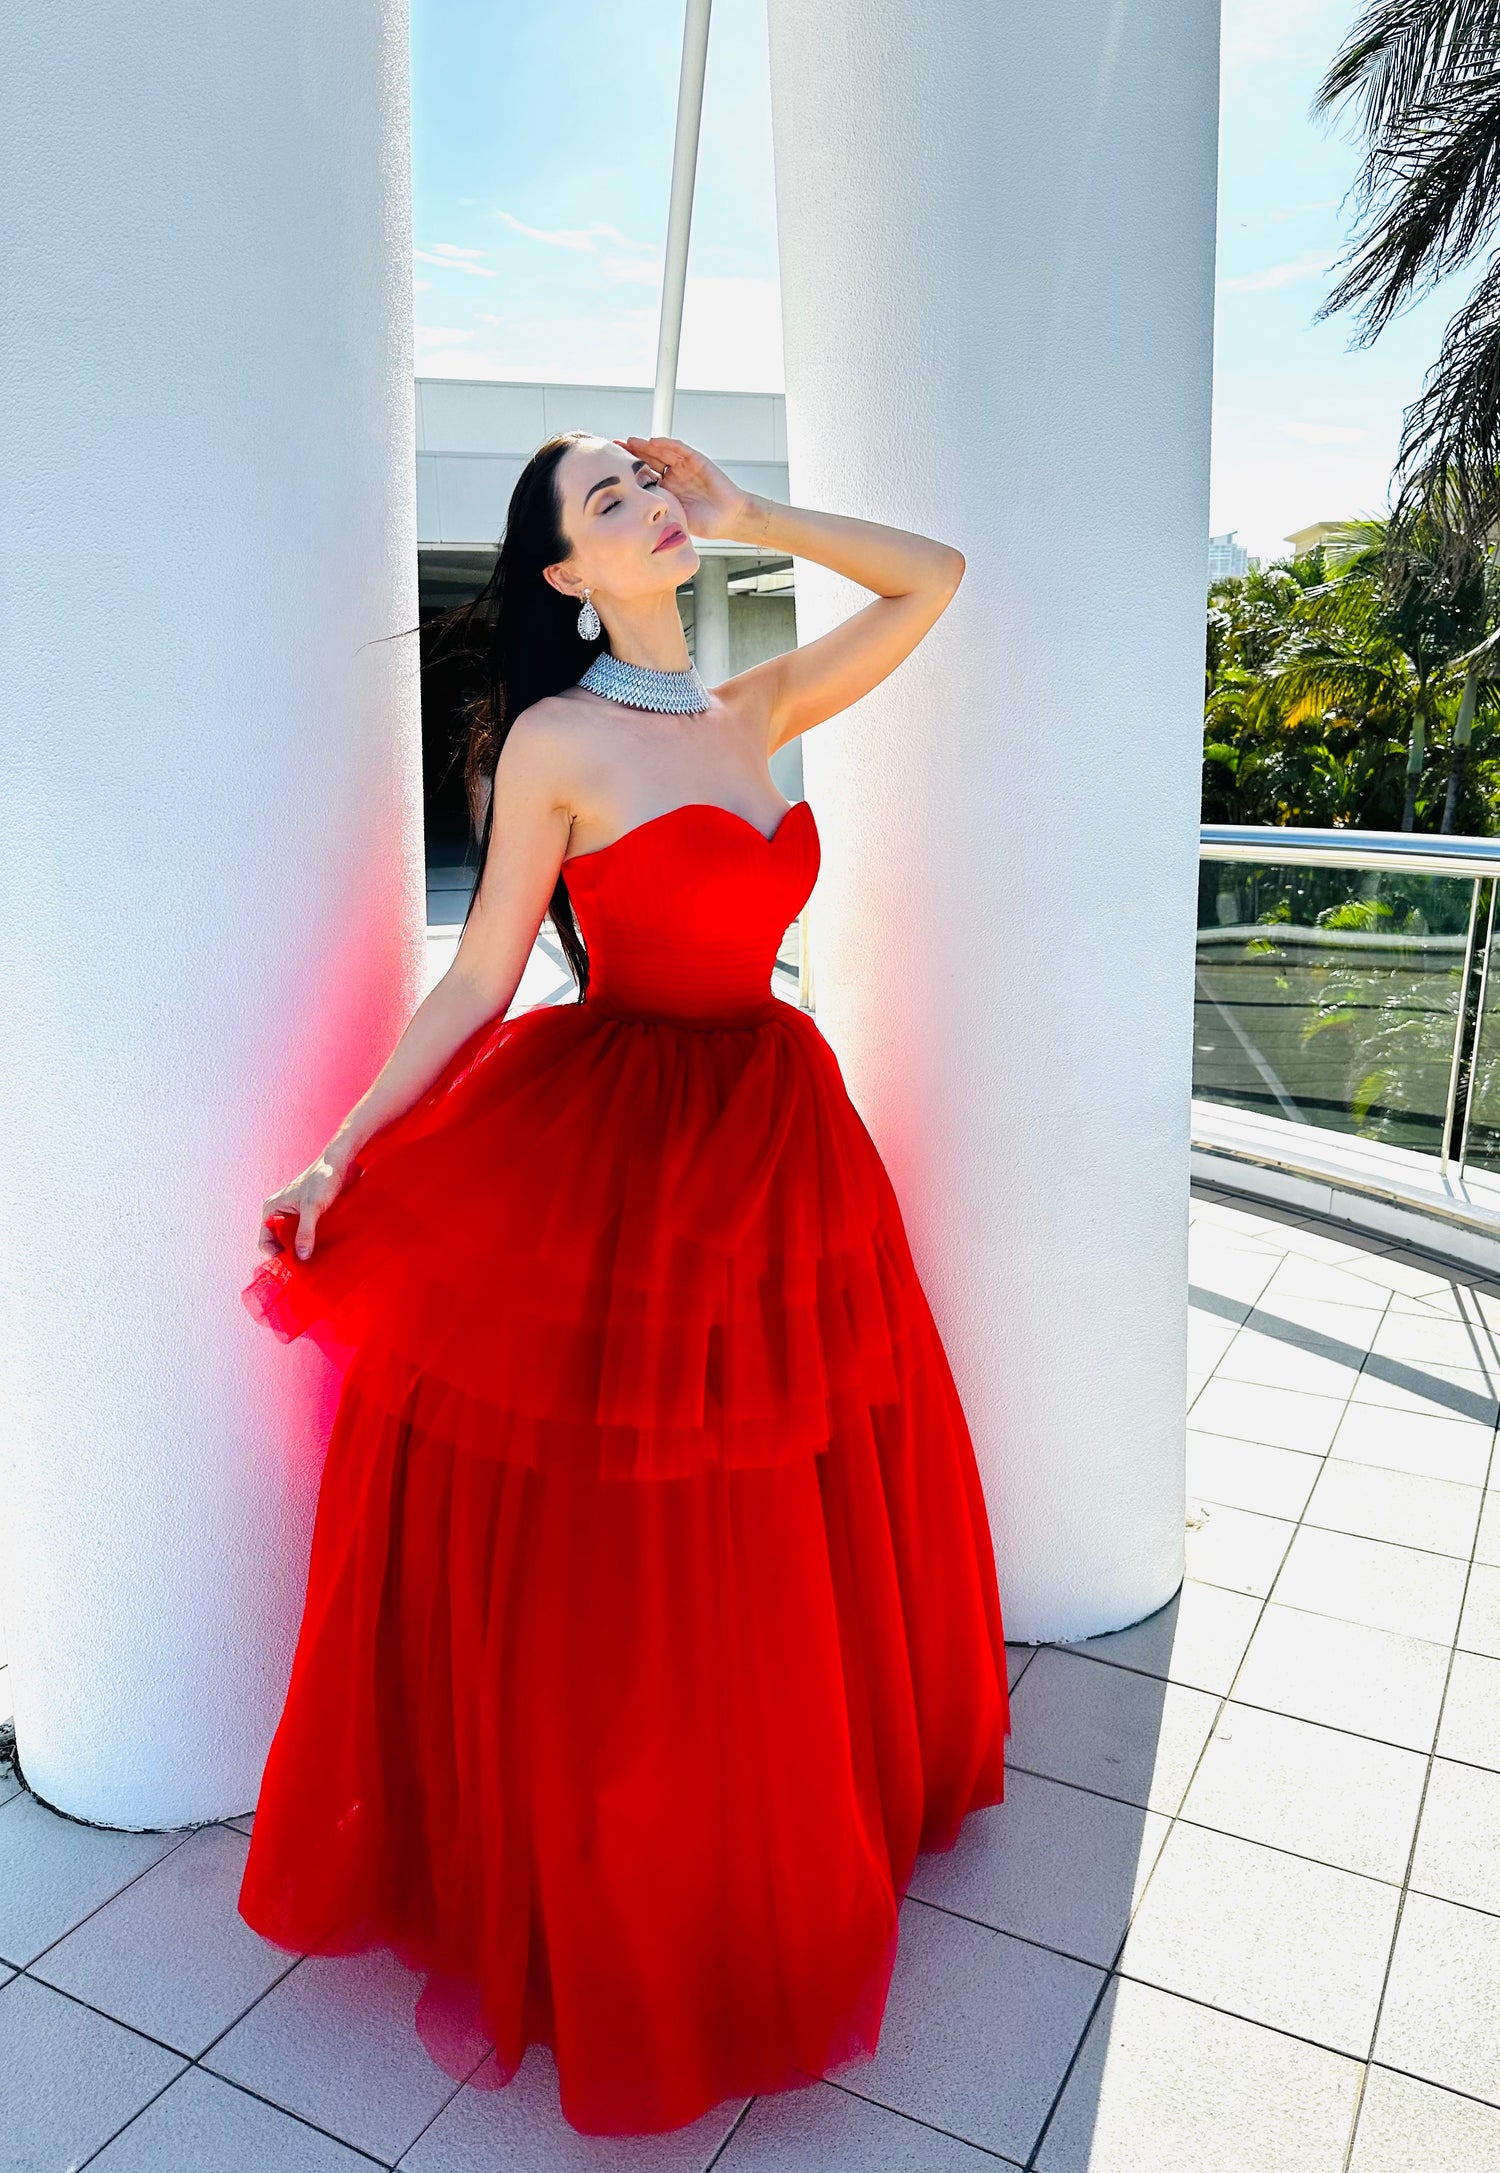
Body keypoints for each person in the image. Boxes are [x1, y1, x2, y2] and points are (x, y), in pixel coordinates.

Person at [236, 429, 1011, 2139]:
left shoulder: (753, 705)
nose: (648, 504)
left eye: (651, 481)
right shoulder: (557, 740)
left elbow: (934, 579)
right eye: (609, 502)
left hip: (781, 1131)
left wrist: (755, 513)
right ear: (569, 579)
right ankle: (642, 1874)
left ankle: (780, 1818)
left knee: (784, 1506)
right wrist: (342, 1146)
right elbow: (483, 972)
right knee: (647, 1549)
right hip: (629, 1148)